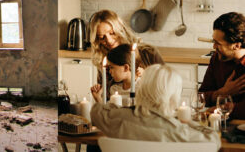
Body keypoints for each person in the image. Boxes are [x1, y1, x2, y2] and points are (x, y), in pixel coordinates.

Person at [91, 64, 221, 150]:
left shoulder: (118, 119)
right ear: (173, 96)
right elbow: (214, 140)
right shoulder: (179, 130)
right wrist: (189, 122)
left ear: (141, 89)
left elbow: (97, 111)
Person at [89, 9, 164, 100]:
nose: (109, 40)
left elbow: (166, 84)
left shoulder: (148, 53)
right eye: (102, 37)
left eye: (112, 33)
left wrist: (147, 76)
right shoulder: (105, 62)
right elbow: (107, 102)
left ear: (120, 29)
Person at [199, 12, 245, 119]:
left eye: (218, 43)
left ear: (236, 45)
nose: (214, 46)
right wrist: (222, 93)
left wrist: (219, 108)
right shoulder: (217, 58)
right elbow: (200, 97)